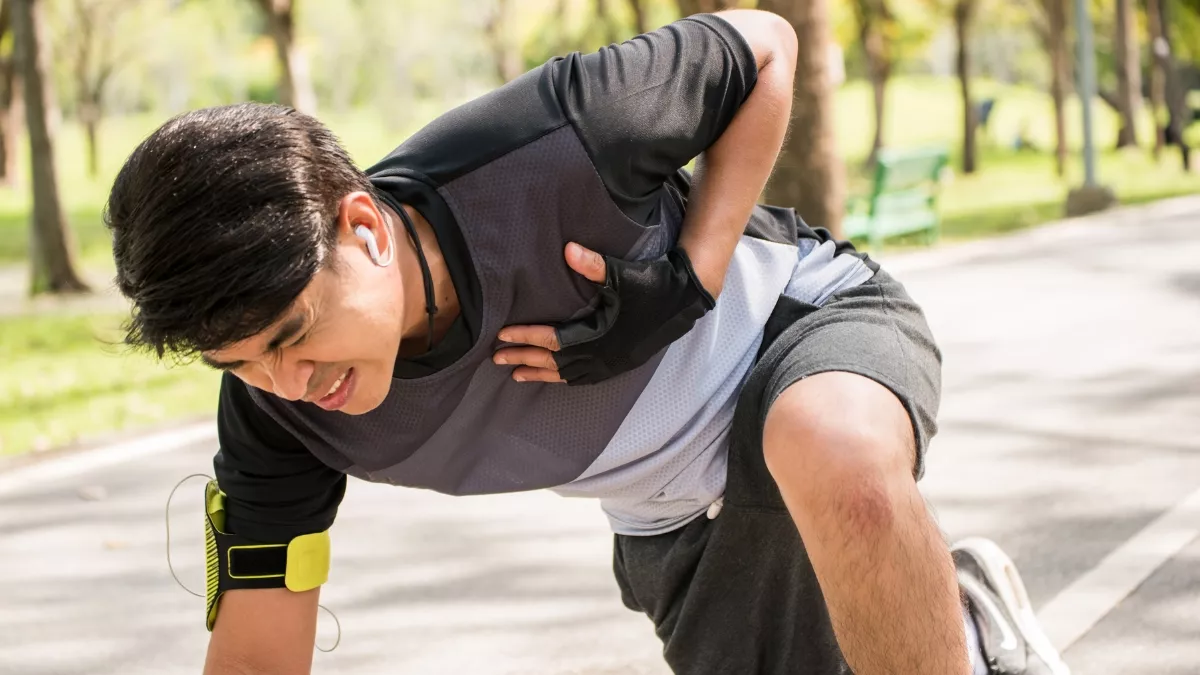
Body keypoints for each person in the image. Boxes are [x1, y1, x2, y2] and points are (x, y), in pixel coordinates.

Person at [106, 9, 1069, 675]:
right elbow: (258, 653)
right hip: (669, 510)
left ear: (362, 225)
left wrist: (692, 271)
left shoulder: (551, 138)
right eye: (240, 365)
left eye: (294, 331)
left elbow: (768, 48)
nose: (287, 379)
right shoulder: (279, 422)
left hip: (799, 329)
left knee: (828, 447)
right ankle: (967, 619)